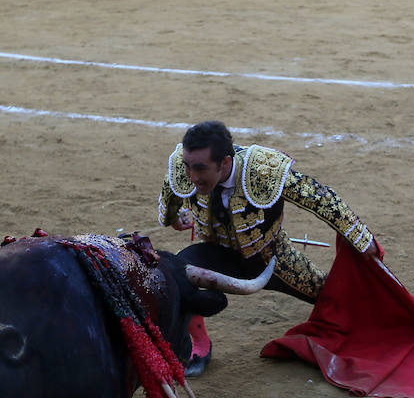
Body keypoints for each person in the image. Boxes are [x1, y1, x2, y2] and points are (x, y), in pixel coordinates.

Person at [157, 121, 378, 375]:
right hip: (217, 253)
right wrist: (173, 218)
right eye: (187, 166)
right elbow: (171, 190)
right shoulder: (183, 166)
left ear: (225, 163)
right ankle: (199, 346)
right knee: (180, 275)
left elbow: (318, 197)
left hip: (271, 256)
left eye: (200, 168)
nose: (192, 177)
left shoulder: (264, 170)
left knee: (331, 297)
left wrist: (359, 236)